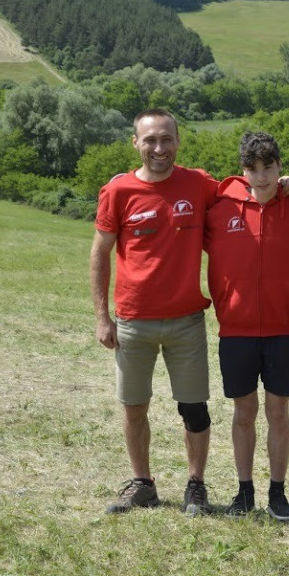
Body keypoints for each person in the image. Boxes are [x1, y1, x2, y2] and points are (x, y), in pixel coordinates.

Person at [90, 108, 217, 516]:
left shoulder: (198, 184)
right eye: (150, 140)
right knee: (134, 406)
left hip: (186, 321)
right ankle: (143, 483)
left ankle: (196, 485)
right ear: (136, 143)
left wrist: (284, 185)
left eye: (166, 139)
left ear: (178, 141)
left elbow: (246, 192)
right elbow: (100, 252)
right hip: (133, 320)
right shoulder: (118, 191)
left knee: (194, 407)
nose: (159, 147)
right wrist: (102, 316)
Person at [204, 132, 289, 520]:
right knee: (243, 412)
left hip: (283, 330)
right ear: (243, 170)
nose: (261, 176)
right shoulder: (219, 209)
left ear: (279, 167)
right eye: (252, 169)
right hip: (235, 332)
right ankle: (244, 491)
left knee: (278, 413)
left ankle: (277, 492)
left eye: (268, 167)